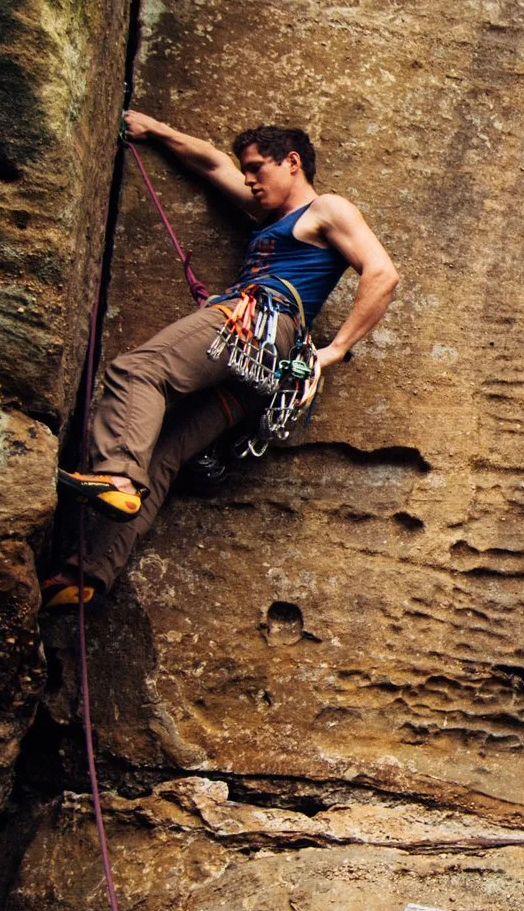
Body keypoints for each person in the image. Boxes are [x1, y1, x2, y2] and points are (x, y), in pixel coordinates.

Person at [45, 112, 401, 609]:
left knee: (138, 371)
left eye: (257, 168)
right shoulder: (270, 216)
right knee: (166, 454)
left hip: (255, 321)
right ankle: (86, 576)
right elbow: (212, 165)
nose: (250, 180)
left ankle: (117, 474)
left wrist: (334, 350)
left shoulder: (327, 209)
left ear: (292, 162)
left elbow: (382, 272)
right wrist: (154, 131)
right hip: (265, 375)